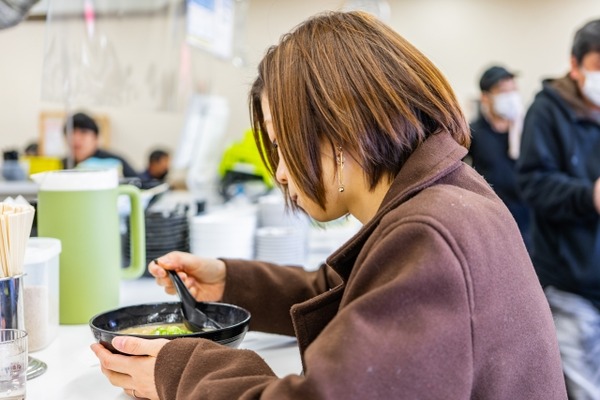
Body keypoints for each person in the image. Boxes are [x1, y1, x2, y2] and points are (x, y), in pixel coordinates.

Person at [91, 11, 567, 399]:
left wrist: (185, 369)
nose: (279, 171)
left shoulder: (429, 233)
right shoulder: (446, 196)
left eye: (283, 146)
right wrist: (228, 281)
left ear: (340, 128)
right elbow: (355, 286)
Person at [516, 19, 600, 400]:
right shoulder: (547, 112)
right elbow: (532, 184)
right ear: (575, 64)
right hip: (569, 283)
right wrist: (589, 197)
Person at [468, 65, 531, 249]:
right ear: (485, 98)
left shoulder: (527, 130)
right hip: (491, 220)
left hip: (528, 222)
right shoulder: (473, 132)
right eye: (504, 92)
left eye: (514, 90)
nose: (511, 97)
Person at [63, 112, 138, 178]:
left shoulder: (115, 162)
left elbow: (140, 184)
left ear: (96, 138)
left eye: (83, 132)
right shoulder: (61, 165)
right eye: (71, 133)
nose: (76, 138)